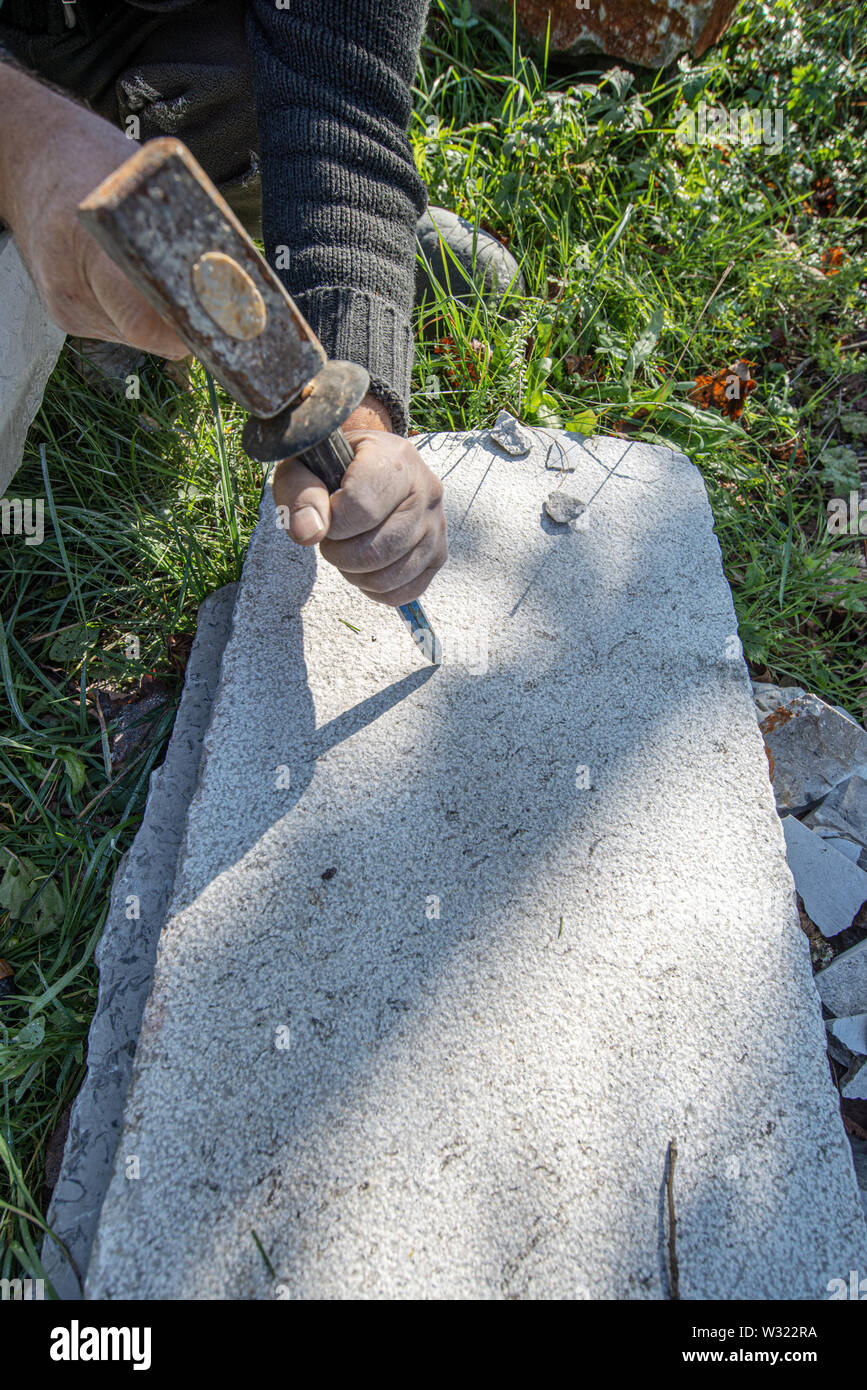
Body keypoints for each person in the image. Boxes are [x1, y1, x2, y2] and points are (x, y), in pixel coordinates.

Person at [0, 0, 448, 608]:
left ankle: (205, 245)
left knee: (248, 86)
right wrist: (28, 151)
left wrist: (352, 410)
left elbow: (343, 105)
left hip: (166, 82)